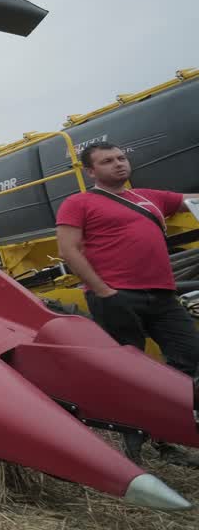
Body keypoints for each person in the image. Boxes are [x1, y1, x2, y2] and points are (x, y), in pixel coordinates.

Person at [56, 140, 199, 464]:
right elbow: (69, 250)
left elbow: (193, 202)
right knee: (129, 371)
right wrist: (104, 292)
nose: (118, 164)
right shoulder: (78, 203)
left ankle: (162, 433)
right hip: (117, 296)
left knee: (188, 357)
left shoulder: (151, 198)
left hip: (163, 295)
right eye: (107, 161)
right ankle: (133, 444)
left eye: (121, 158)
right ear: (91, 171)